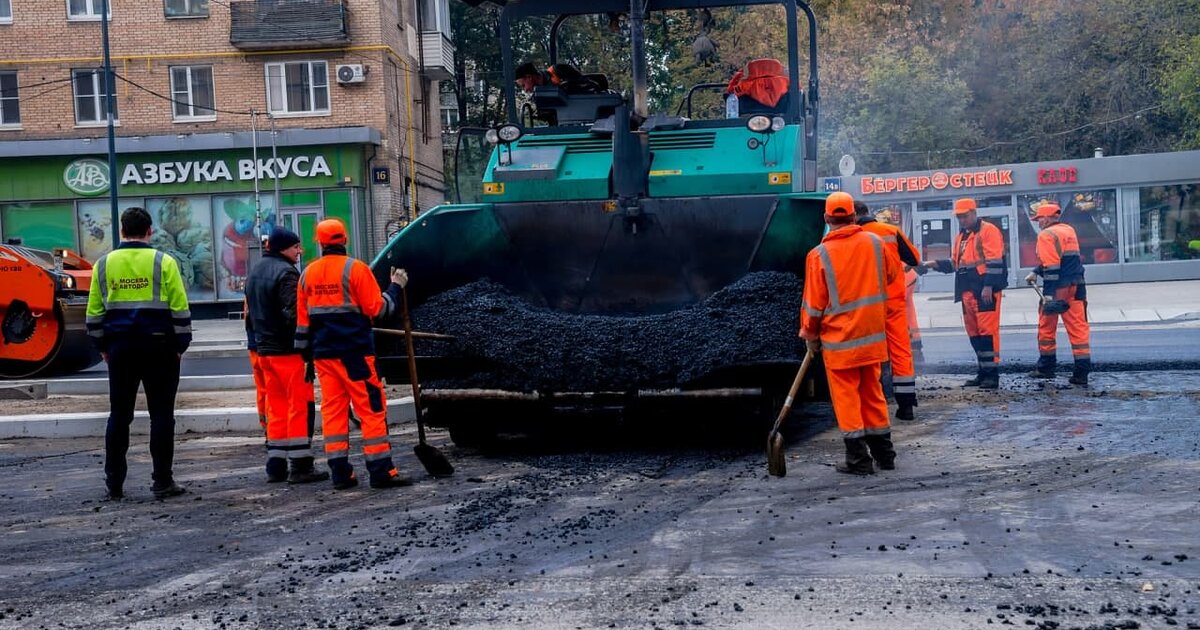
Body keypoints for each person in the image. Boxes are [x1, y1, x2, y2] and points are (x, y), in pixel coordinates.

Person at [296, 219, 412, 490]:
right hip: (355, 355)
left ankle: (340, 474)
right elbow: (379, 310)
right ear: (344, 239)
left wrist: (306, 357)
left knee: (334, 413)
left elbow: (302, 325)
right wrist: (396, 286)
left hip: (324, 357)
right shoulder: (356, 269)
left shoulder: (307, 275)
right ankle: (382, 472)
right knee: (371, 410)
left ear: (320, 243)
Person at [86, 207, 191, 500]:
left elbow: (94, 312)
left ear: (121, 231)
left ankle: (114, 483)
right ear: (150, 232)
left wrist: (102, 347)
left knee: (119, 415)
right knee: (162, 416)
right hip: (160, 348)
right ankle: (162, 482)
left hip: (120, 349)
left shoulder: (103, 265)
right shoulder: (164, 262)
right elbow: (180, 308)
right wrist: (180, 346)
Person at [800, 192, 900, 475]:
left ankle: (858, 460)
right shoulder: (875, 243)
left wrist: (810, 335)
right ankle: (885, 455)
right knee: (872, 394)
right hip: (872, 337)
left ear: (826, 219)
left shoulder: (818, 255)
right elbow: (892, 275)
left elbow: (813, 304)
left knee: (847, 399)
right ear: (854, 216)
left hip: (840, 341)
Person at [246, 227, 329, 484]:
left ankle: (276, 465)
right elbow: (295, 314)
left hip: (265, 352)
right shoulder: (286, 273)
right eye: (296, 247)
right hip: (288, 352)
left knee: (277, 407)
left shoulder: (256, 270)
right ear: (284, 248)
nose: (300, 251)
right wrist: (309, 343)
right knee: (300, 406)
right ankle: (302, 465)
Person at [923, 198, 1007, 390]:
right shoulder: (961, 236)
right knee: (975, 334)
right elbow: (955, 264)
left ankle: (991, 377)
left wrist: (988, 287)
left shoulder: (988, 231)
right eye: (959, 217)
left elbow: (995, 262)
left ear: (974, 213)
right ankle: (983, 373)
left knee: (987, 333)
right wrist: (932, 264)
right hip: (967, 290)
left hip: (984, 291)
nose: (962, 219)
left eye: (965, 216)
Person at [854, 201, 921, 421]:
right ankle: (906, 405)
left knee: (870, 352)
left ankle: (873, 402)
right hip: (893, 302)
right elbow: (914, 259)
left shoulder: (851, 236)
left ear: (854, 216)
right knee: (900, 349)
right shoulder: (891, 232)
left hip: (866, 304)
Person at [1024, 203, 1091, 386]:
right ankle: (1081, 374)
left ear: (1047, 218)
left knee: (1046, 327)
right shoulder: (1068, 230)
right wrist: (1036, 271)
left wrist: (1049, 295)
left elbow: (1052, 267)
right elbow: (1064, 258)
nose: (1038, 223)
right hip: (1077, 286)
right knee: (1079, 329)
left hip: (1059, 286)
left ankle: (1046, 368)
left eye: (1039, 219)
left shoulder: (1046, 235)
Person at [515, 61, 600, 95]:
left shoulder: (558, 71)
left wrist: (565, 88)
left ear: (529, 77)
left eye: (523, 85)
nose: (525, 90)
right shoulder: (538, 96)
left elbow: (586, 85)